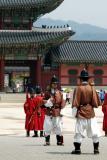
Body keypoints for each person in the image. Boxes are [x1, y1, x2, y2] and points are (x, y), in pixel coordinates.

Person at [71, 69, 101, 154]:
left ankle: (77, 149)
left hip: (81, 112)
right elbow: (96, 102)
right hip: (90, 112)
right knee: (94, 131)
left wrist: (74, 114)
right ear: (87, 79)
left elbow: (75, 103)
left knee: (79, 131)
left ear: (80, 79)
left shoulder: (78, 88)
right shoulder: (92, 88)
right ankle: (96, 149)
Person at [43, 75, 66, 146]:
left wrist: (62, 110)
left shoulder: (60, 93)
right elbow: (43, 101)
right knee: (47, 126)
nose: (55, 85)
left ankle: (59, 141)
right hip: (48, 111)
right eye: (53, 83)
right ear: (51, 84)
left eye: (56, 83)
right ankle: (47, 141)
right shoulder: (47, 92)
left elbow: (63, 102)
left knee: (58, 126)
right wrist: (47, 102)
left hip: (57, 111)